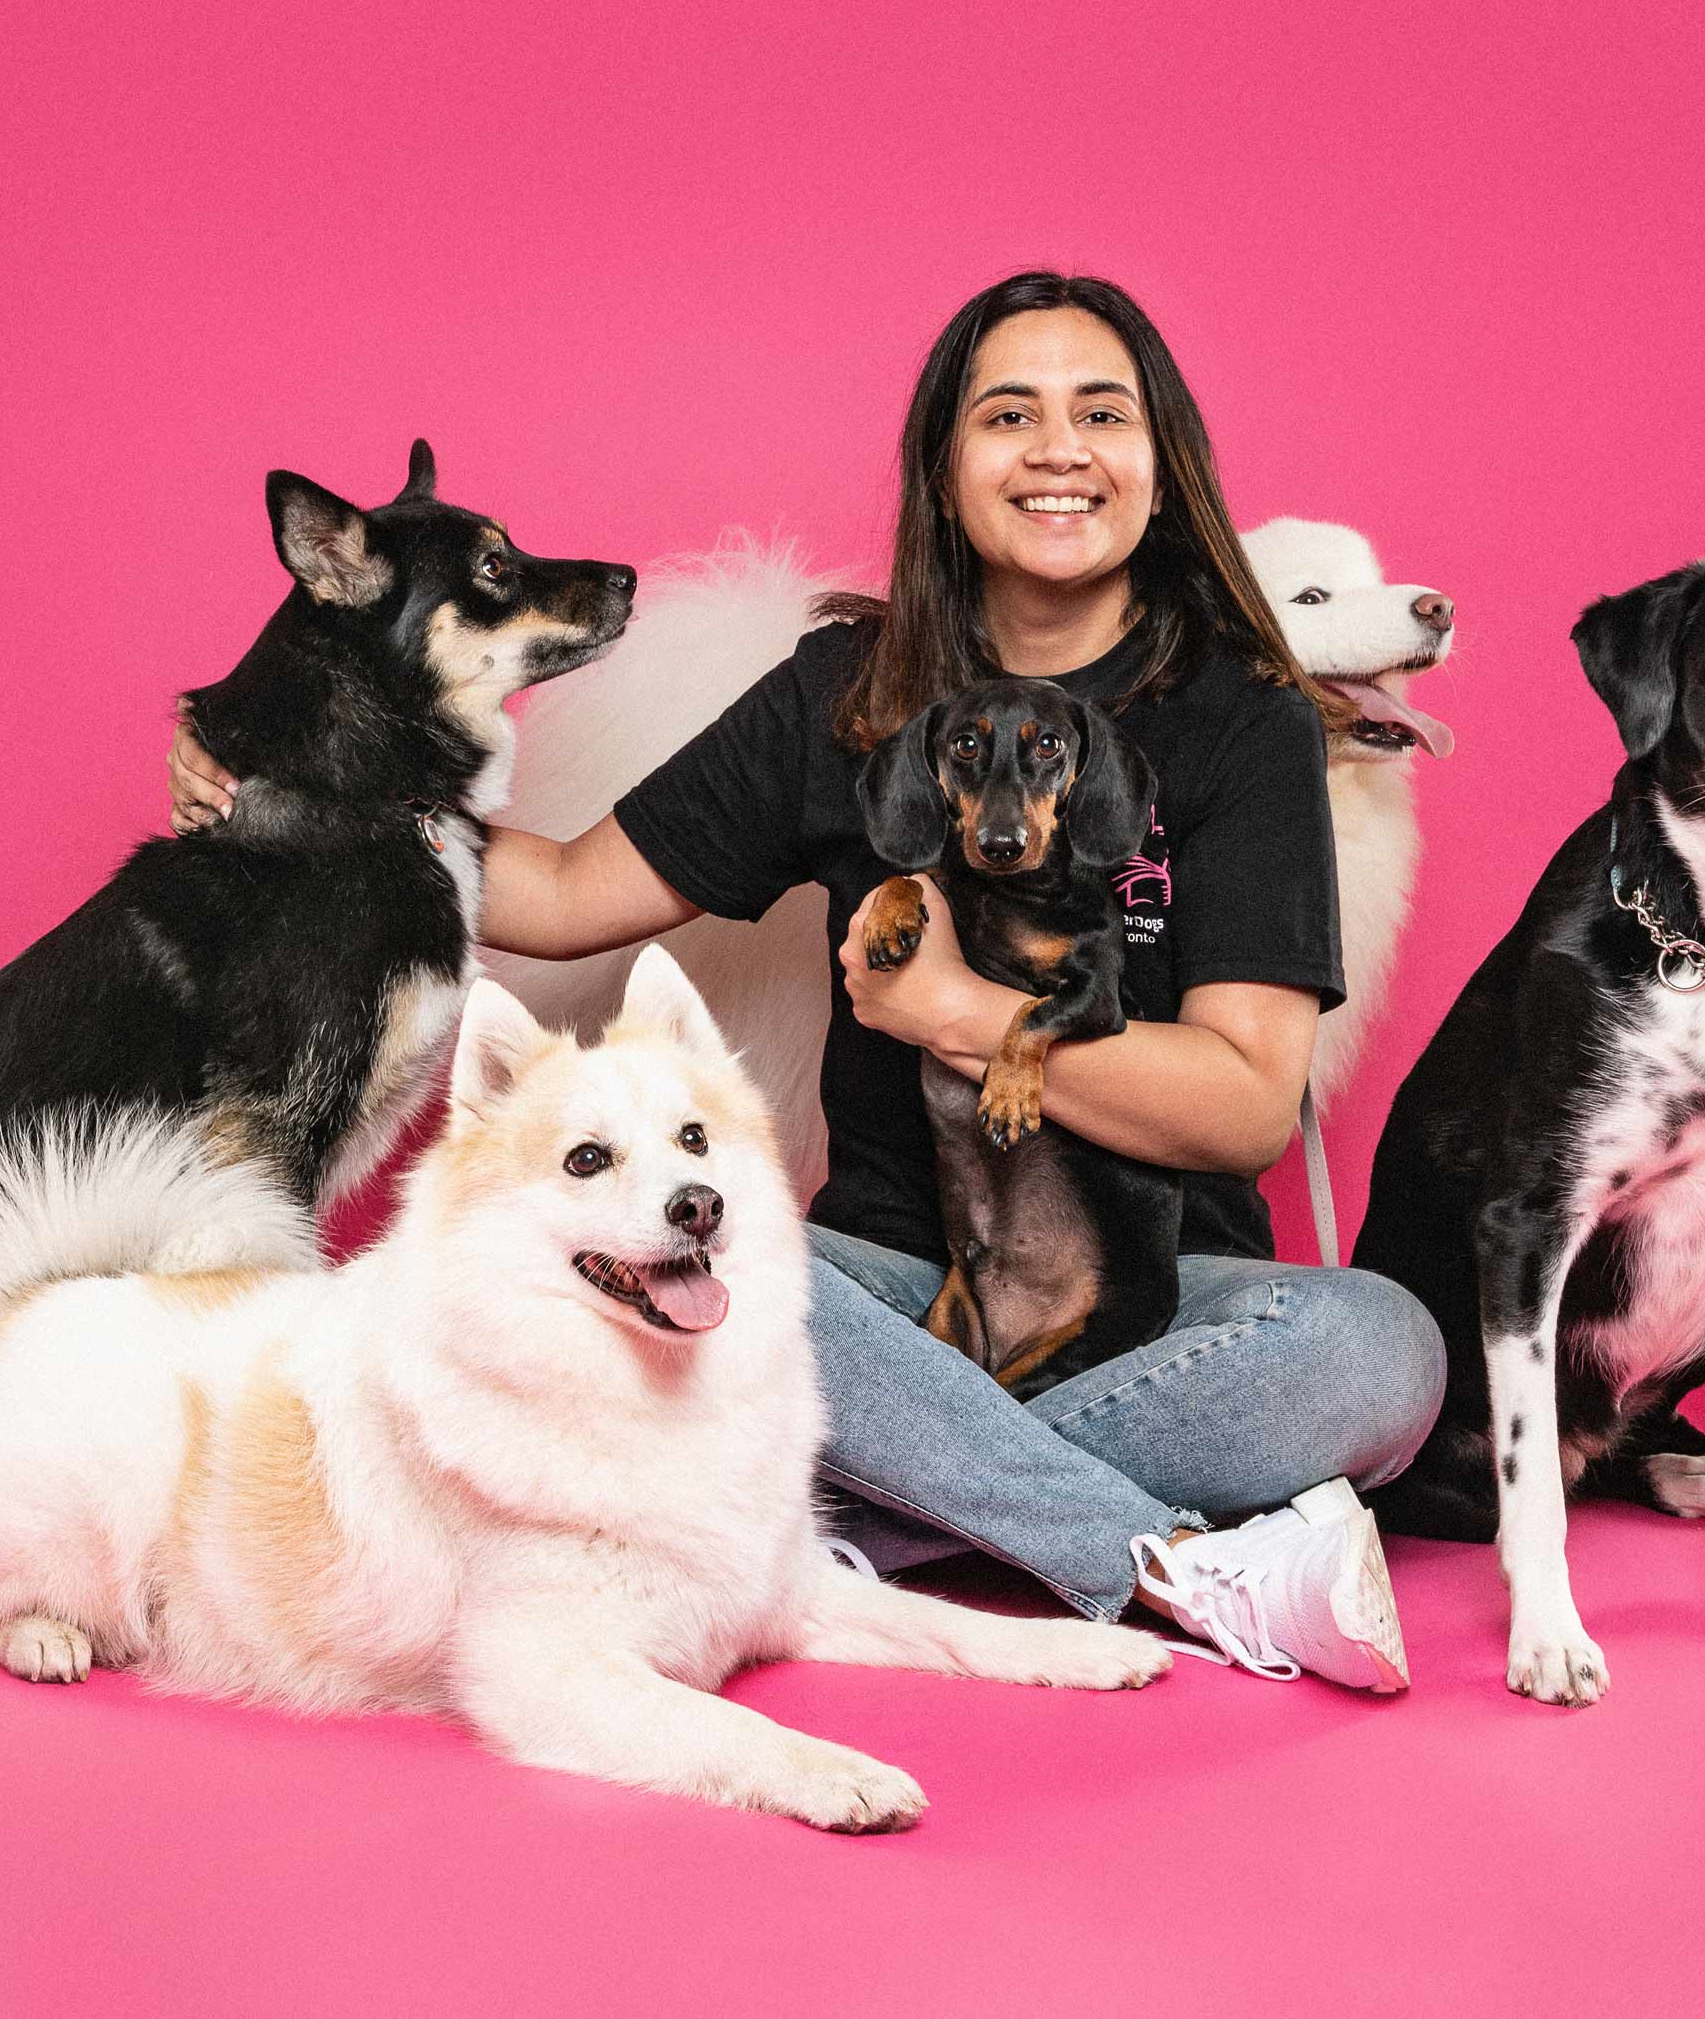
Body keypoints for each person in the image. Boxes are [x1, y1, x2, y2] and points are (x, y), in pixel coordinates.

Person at [170, 272, 1444, 1690]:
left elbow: (1245, 1106)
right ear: (947, 470)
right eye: (1008, 415)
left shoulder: (1242, 716)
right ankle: (1169, 1560)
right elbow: (562, 895)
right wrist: (302, 797)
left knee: (1376, 1351)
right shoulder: (846, 693)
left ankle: (870, 1523)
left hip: (1162, 1297)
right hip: (885, 1290)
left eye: (1104, 413)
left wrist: (960, 1012)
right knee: (716, 1273)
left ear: (1164, 461)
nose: (1061, 450)